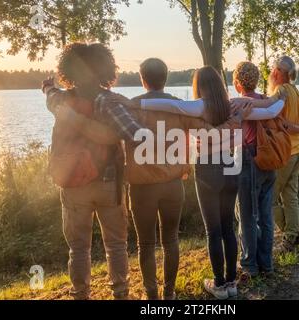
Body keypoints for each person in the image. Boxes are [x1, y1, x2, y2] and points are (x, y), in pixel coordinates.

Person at [51, 56, 251, 300]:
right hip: (173, 184)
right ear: (165, 78)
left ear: (142, 79)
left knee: (145, 244)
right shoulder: (180, 107)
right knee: (171, 240)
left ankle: (151, 294)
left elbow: (116, 133)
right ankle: (169, 293)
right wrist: (235, 121)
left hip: (142, 186)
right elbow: (211, 134)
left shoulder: (130, 105)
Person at [137, 66, 285, 299]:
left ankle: (218, 284)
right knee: (228, 227)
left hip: (208, 170)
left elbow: (170, 105)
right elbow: (272, 111)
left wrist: (137, 103)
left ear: (199, 85)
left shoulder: (199, 106)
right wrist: (281, 97)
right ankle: (231, 283)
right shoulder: (234, 105)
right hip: (232, 168)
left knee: (213, 230)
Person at [42, 43, 148, 300]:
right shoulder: (109, 101)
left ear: (69, 70)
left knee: (78, 248)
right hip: (108, 183)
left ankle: (81, 294)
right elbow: (136, 135)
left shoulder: (61, 101)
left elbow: (51, 94)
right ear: (105, 68)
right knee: (116, 245)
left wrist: (46, 87)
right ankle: (121, 292)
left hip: (72, 183)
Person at [233, 61, 277, 279]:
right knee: (266, 214)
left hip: (249, 158)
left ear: (238, 83)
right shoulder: (265, 101)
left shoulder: (240, 103)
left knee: (247, 214)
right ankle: (266, 263)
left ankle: (249, 265)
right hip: (269, 159)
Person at [268, 56, 299, 253]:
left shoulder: (281, 91)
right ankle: (294, 233)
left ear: (277, 72)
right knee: (290, 196)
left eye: (272, 69)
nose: (271, 73)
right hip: (298, 151)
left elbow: (268, 108)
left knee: (269, 198)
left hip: (285, 154)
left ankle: (291, 235)